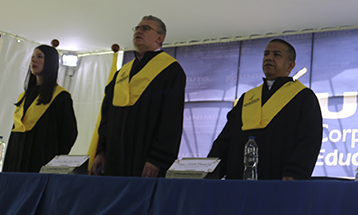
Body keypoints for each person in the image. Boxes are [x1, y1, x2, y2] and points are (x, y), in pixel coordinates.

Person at [208, 39, 322, 180]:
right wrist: (210, 171)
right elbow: (225, 140)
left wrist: (295, 172)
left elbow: (309, 140)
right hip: (238, 182)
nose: (269, 58)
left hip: (279, 183)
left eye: (276, 54)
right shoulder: (247, 98)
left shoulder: (303, 97)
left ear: (290, 65)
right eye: (266, 54)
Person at [90, 15, 186, 177]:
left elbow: (171, 119)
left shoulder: (170, 71)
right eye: (137, 28)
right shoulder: (122, 73)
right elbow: (106, 116)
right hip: (113, 158)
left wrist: (158, 159)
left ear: (159, 38)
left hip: (145, 161)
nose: (139, 31)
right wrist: (101, 151)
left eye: (146, 28)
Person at [4, 45, 77, 172]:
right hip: (15, 160)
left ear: (50, 62)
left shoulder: (60, 97)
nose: (33, 60)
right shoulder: (24, 96)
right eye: (32, 57)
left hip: (40, 163)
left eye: (39, 57)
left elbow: (68, 133)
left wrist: (54, 161)